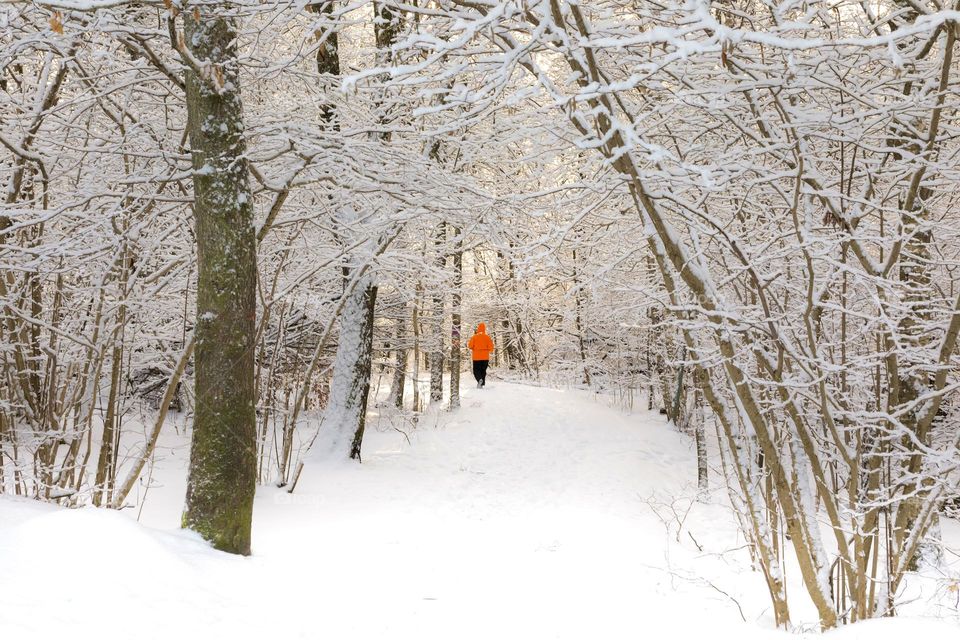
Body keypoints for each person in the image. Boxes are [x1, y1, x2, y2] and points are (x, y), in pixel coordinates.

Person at [467, 323, 494, 388]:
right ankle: (482, 384)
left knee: (476, 370)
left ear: (478, 329)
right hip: (485, 357)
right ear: (484, 329)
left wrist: (475, 348)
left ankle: (479, 380)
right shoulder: (487, 337)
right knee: (483, 370)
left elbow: (470, 346)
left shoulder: (474, 337)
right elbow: (491, 348)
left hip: (476, 357)